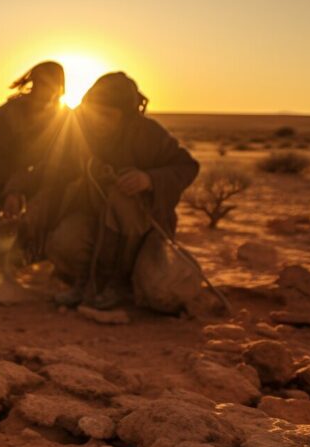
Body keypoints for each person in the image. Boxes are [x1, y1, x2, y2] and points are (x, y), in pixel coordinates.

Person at [46, 71, 202, 312]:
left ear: (125, 115)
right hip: (93, 222)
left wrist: (149, 179)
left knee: (160, 292)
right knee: (65, 241)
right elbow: (55, 172)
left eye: (107, 115)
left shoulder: (148, 133)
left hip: (141, 233)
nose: (98, 120)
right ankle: (86, 283)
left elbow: (187, 166)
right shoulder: (77, 130)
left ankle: (117, 284)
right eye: (94, 111)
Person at [0, 62, 71, 303]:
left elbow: (54, 161)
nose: (47, 91)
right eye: (42, 84)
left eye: (53, 85)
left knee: (35, 223)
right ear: (33, 83)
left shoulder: (61, 117)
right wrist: (12, 191)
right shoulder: (7, 115)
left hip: (27, 185)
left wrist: (22, 189)